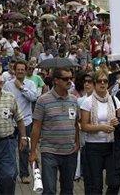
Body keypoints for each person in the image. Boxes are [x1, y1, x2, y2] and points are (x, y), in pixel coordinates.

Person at [29, 67, 80, 195]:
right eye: (65, 79)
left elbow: (76, 124)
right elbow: (36, 127)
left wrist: (77, 143)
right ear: (56, 80)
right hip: (49, 151)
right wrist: (33, 151)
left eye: (70, 78)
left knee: (68, 190)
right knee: (50, 190)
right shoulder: (43, 100)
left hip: (70, 151)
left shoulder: (74, 100)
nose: (69, 81)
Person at [81, 69, 120, 194]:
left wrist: (117, 122)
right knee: (96, 185)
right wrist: (101, 127)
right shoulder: (87, 102)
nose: (103, 83)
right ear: (94, 83)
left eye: (105, 81)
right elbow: (84, 126)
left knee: (115, 182)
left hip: (111, 146)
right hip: (93, 146)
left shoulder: (114, 100)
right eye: (99, 81)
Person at [2, 60, 37, 184]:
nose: (20, 71)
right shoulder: (7, 84)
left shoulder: (31, 84)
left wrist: (21, 88)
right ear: (14, 71)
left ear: (26, 71)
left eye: (23, 69)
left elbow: (33, 98)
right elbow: (3, 100)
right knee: (9, 149)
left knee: (24, 149)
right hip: (10, 122)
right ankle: (11, 173)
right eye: (18, 69)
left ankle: (24, 174)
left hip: (26, 120)